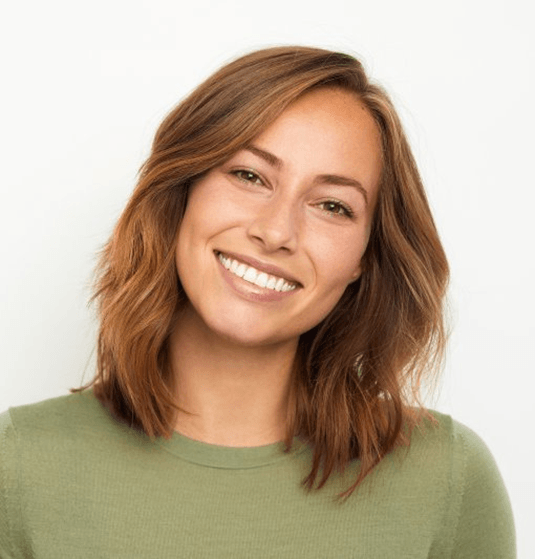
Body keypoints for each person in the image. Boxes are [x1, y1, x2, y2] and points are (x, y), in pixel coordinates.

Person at [0, 46, 515, 558]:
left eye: (333, 206)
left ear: (365, 255)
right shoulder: (19, 466)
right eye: (249, 176)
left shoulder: (447, 480)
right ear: (183, 190)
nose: (275, 231)